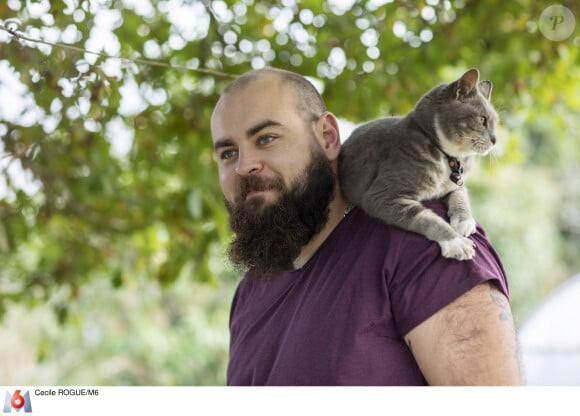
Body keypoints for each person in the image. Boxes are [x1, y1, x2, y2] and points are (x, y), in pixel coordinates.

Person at [210, 67, 522, 386]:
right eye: (227, 152)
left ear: (328, 137)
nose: (244, 165)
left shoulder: (421, 246)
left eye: (266, 138)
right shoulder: (251, 292)